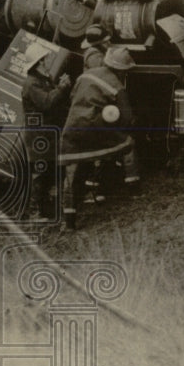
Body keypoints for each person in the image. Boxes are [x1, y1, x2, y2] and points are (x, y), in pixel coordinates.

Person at [60, 46, 140, 230]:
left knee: (71, 172)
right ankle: (134, 189)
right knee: (127, 144)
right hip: (96, 130)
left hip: (72, 129)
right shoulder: (118, 86)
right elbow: (127, 117)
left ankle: (69, 221)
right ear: (122, 70)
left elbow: (72, 97)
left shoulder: (84, 76)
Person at [20, 44, 72, 219]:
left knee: (49, 171)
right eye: (45, 58)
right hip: (39, 136)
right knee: (42, 174)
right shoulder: (32, 83)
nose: (48, 60)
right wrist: (62, 88)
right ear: (39, 62)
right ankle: (38, 211)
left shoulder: (42, 79)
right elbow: (47, 103)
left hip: (46, 134)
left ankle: (46, 210)